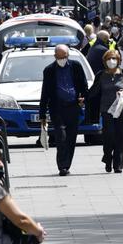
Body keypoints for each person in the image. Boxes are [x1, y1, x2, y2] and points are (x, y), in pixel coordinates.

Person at [86, 49, 123, 173]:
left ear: (118, 60)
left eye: (114, 58)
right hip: (107, 110)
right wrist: (85, 98)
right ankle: (108, 158)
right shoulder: (101, 75)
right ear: (105, 61)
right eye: (109, 58)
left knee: (121, 137)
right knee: (109, 136)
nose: (111, 61)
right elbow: (94, 91)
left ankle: (118, 164)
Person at [38, 44, 88, 176]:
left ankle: (67, 164)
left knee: (71, 137)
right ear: (55, 56)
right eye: (59, 57)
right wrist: (42, 113)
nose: (62, 59)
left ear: (68, 56)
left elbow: (83, 85)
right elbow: (45, 92)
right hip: (57, 108)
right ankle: (62, 166)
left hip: (73, 106)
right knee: (61, 136)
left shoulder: (76, 66)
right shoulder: (49, 70)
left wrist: (84, 98)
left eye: (64, 57)